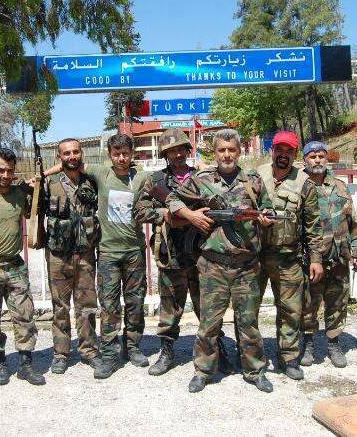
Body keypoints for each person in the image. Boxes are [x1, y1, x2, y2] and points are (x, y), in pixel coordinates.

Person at [167, 129, 274, 394]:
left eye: (232, 150)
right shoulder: (200, 180)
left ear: (239, 152)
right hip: (212, 265)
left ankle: (254, 370)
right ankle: (204, 371)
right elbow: (171, 199)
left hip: (246, 265)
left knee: (248, 322)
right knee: (209, 324)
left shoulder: (252, 180)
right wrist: (191, 216)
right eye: (221, 150)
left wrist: (266, 218)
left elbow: (268, 208)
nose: (227, 155)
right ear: (214, 153)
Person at [45, 134, 149, 379]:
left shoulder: (142, 177)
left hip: (134, 251)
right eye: (116, 153)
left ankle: (132, 346)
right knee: (109, 306)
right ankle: (110, 352)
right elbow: (69, 164)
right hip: (107, 253)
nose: (121, 157)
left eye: (125, 153)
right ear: (109, 155)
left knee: (135, 302)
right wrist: (39, 176)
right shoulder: (101, 174)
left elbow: (161, 188)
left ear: (132, 153)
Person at [134, 129, 232, 376]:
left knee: (208, 307)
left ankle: (217, 350)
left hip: (203, 253)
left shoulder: (204, 177)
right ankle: (167, 353)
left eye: (181, 149)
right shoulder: (156, 181)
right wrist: (168, 215)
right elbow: (139, 211)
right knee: (170, 307)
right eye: (171, 151)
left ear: (188, 151)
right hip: (172, 253)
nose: (177, 154)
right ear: (165, 154)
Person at [0, 148, 44, 387]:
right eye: (1, 169)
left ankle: (25, 363)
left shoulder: (19, 193)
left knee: (24, 314)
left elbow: (33, 207)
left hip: (14, 265)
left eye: (10, 170)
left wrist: (34, 186)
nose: (5, 174)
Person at [257, 131, 323, 381]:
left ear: (294, 155)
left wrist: (315, 258)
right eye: (279, 150)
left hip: (288, 258)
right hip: (256, 257)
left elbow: (313, 224)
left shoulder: (305, 183)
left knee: (290, 311)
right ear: (271, 150)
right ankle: (252, 358)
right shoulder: (255, 176)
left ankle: (289, 358)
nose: (283, 155)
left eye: (289, 151)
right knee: (249, 311)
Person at [45, 138, 102, 374]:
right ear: (60, 157)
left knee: (87, 305)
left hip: (85, 253)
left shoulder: (92, 181)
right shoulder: (49, 184)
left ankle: (89, 350)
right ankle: (60, 353)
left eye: (75, 152)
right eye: (66, 153)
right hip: (58, 256)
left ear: (82, 153)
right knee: (60, 307)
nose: (72, 157)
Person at [300, 141, 357, 368]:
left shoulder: (341, 187)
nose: (317, 160)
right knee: (309, 303)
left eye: (321, 156)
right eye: (312, 156)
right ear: (305, 159)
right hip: (311, 258)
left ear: (327, 158)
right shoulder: (300, 186)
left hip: (339, 256)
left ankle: (334, 343)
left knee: (337, 301)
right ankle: (309, 344)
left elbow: (353, 223)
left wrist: (355, 250)